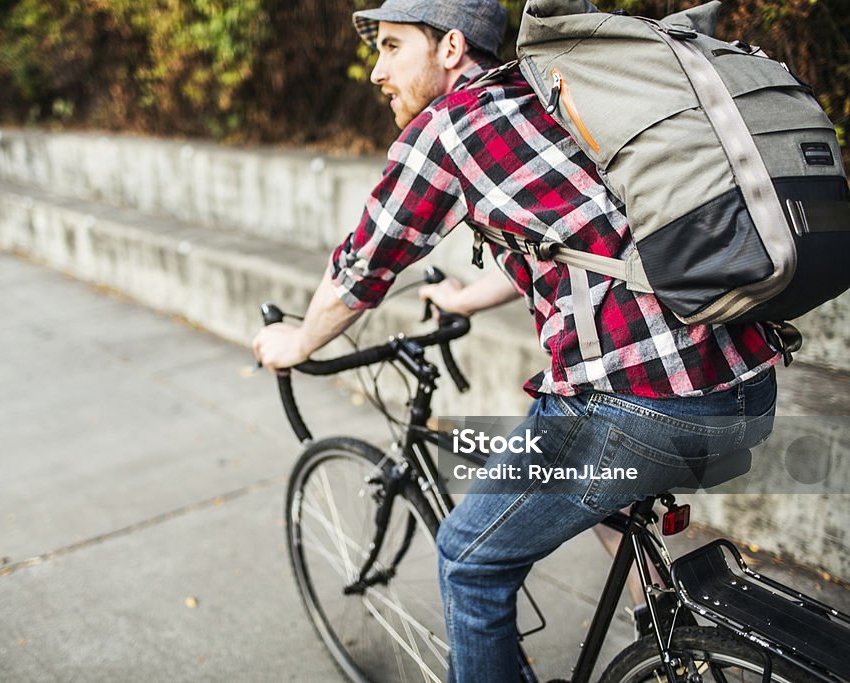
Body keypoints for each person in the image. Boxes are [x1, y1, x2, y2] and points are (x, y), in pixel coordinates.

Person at [252, 1, 780, 681]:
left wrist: (296, 341)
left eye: (390, 46)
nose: (377, 71)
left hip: (639, 402)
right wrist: (469, 296)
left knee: (468, 558)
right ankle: (675, 646)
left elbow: (365, 266)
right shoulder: (551, 91)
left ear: (449, 48)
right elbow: (586, 234)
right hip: (743, 381)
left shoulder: (449, 126)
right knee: (611, 500)